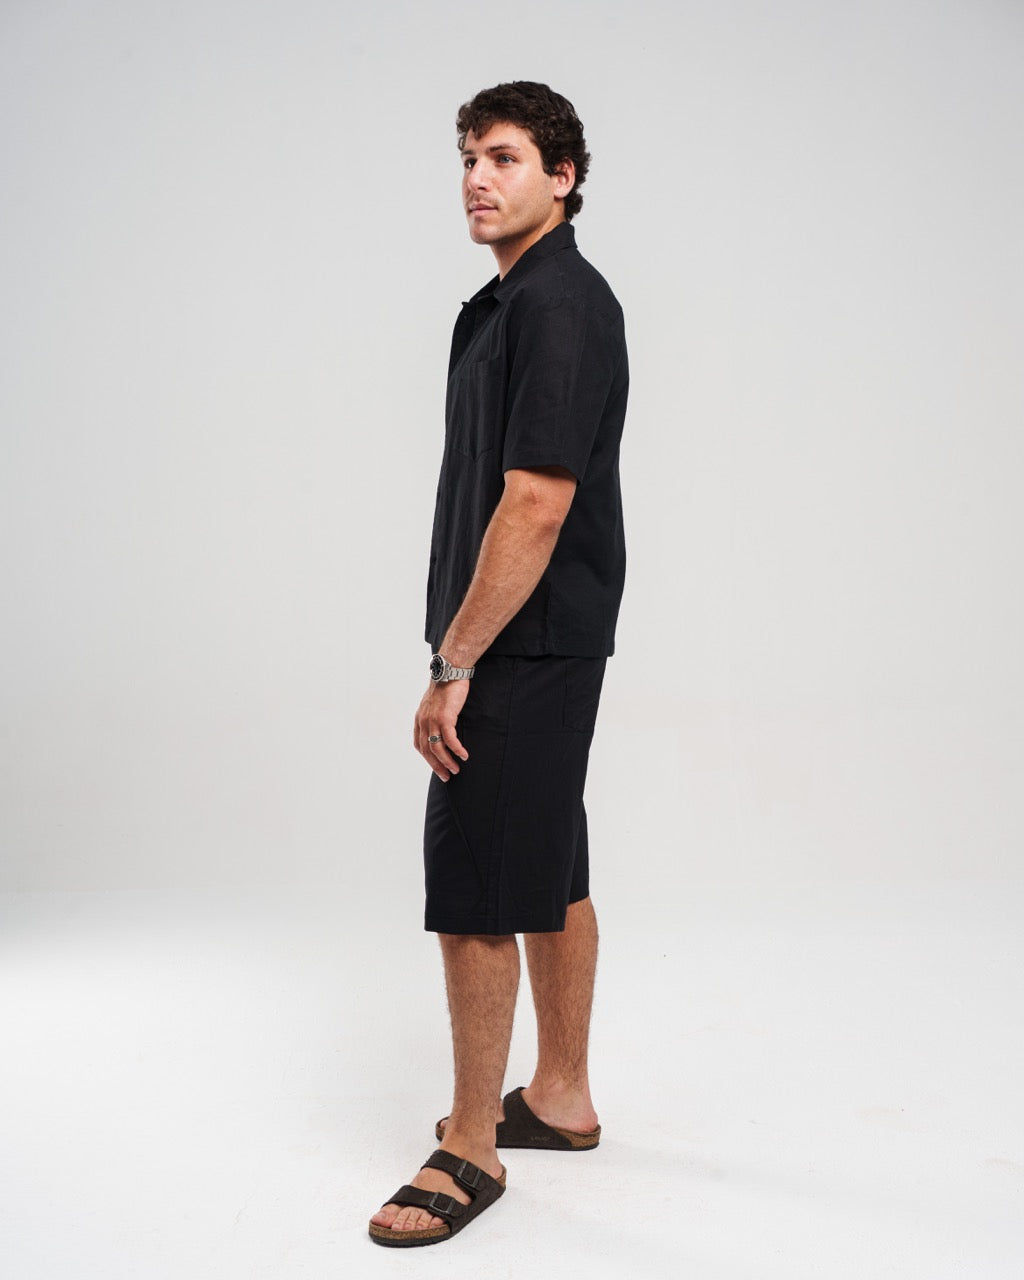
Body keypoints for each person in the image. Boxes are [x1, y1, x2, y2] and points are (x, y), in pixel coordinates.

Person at [368, 80, 629, 1248]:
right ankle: (559, 1094)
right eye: (469, 157)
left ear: (562, 177)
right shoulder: (507, 301)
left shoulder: (558, 303)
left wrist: (453, 659)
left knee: (474, 875)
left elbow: (535, 500)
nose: (478, 176)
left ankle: (470, 1143)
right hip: (539, 632)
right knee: (548, 859)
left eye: (506, 157)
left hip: (519, 640)